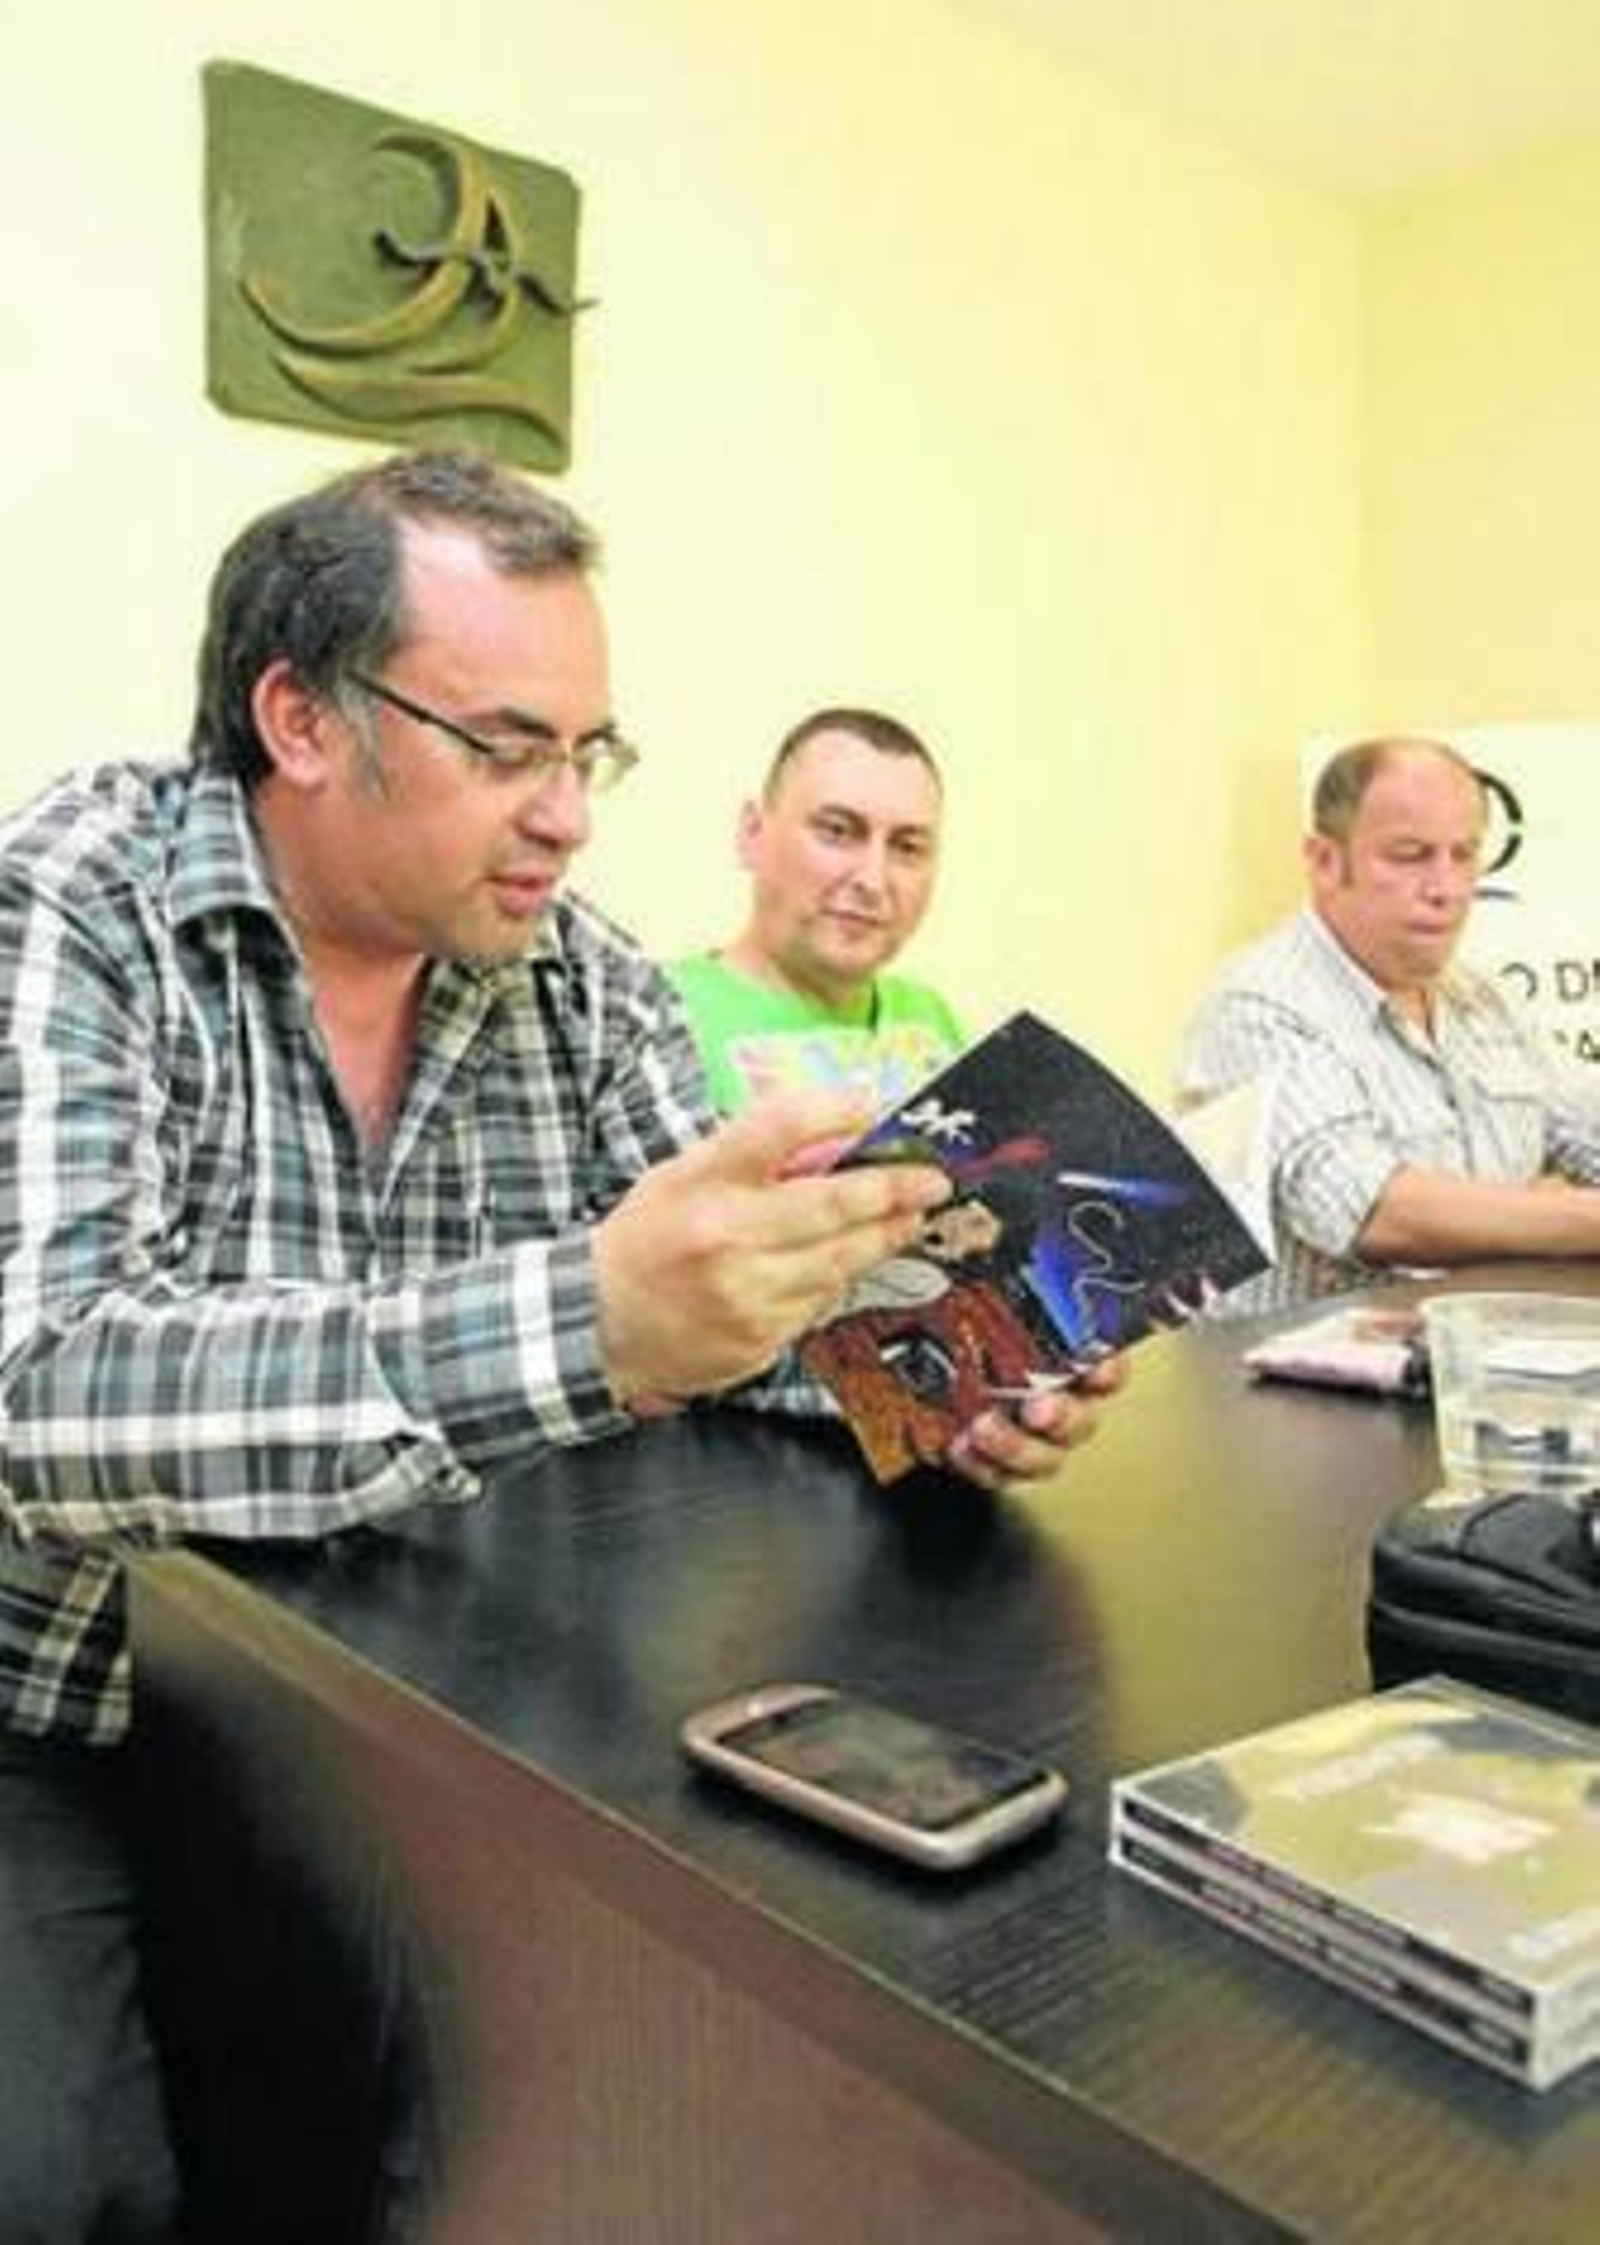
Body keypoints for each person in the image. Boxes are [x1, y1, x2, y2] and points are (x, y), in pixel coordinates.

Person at [0, 448, 1121, 2237]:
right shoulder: (78, 897)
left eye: (586, 755)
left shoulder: (579, 982)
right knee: (67, 2183)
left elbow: (717, 1308)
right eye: (504, 745)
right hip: (68, 1701)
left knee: (644, 2110)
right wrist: (595, 1317)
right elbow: (41, 1394)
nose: (568, 815)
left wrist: (929, 1372)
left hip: (418, 1705)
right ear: (300, 717)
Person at [1176, 735, 1600, 1317]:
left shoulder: (1485, 1002)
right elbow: (1370, 1209)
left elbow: (1583, 1130)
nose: (1445, 888)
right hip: (1301, 1396)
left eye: (1464, 854)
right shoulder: (1257, 1008)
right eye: (1410, 856)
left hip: (1467, 1366)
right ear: (1325, 861)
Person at [668, 707, 965, 1115]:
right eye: (837, 832)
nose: (873, 881)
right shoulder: (663, 1015)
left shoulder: (929, 1016)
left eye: (907, 847)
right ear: (752, 833)